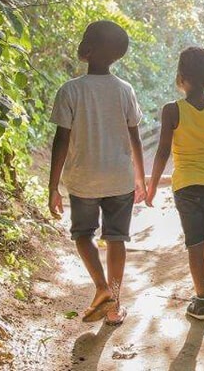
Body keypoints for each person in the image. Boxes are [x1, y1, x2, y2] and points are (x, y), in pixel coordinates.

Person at [47, 20, 147, 326]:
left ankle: (101, 287)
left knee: (83, 235)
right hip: (119, 178)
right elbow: (135, 136)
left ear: (88, 50)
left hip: (83, 180)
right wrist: (140, 178)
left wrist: (53, 187)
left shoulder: (70, 91)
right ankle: (114, 305)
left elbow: (60, 141)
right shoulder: (124, 90)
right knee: (116, 239)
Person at [145, 46, 204, 321]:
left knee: (194, 241)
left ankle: (200, 300)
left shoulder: (172, 110)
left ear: (181, 76)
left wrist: (151, 185)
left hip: (185, 183)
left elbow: (162, 151)